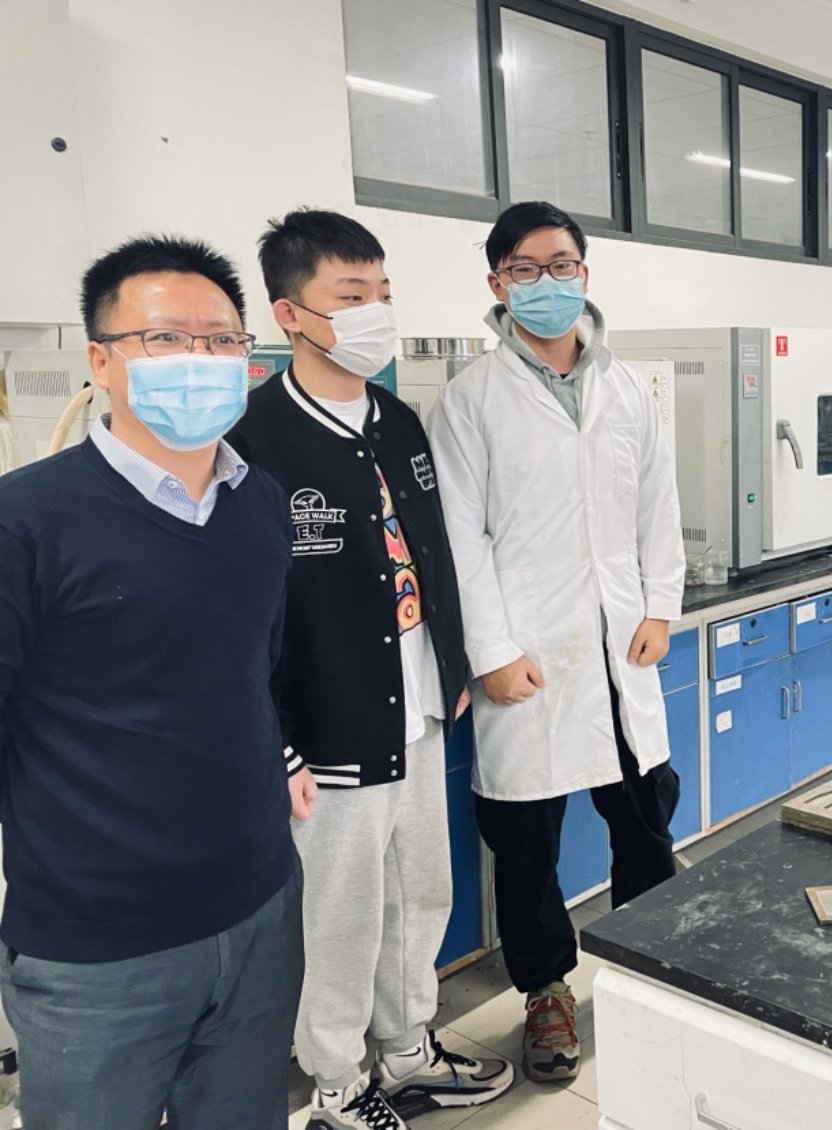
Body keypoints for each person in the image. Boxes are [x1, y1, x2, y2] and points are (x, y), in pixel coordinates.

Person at [0, 235, 305, 1129]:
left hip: (259, 907)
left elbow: (253, 671)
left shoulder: (262, 502)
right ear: (101, 361)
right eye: (165, 338)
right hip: (101, 949)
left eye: (221, 340)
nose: (198, 359)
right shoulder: (24, 522)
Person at [228, 209, 515, 1129]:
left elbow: (434, 548)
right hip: (329, 727)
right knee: (341, 916)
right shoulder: (252, 438)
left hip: (420, 707)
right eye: (351, 295)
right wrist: (277, 742)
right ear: (290, 314)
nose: (375, 312)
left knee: (419, 893)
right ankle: (337, 1084)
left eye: (383, 292)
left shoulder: (397, 420)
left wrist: (456, 661)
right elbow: (238, 613)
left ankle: (406, 1049)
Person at [429, 201, 686, 1083]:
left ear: (585, 272)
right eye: (526, 269)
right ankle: (545, 993)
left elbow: (658, 504)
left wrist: (660, 606)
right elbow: (459, 539)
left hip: (621, 647)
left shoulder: (628, 388)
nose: (547, 282)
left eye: (562, 265)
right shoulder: (469, 399)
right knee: (527, 843)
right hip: (527, 657)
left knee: (646, 823)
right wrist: (491, 652)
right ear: (497, 283)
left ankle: (658, 975)